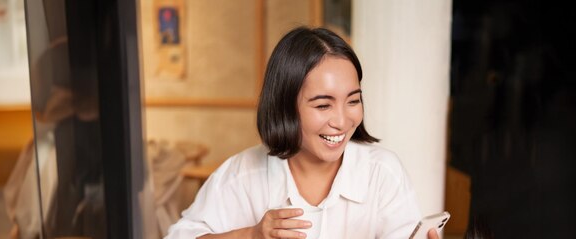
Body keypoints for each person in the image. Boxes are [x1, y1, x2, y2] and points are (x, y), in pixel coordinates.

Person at [165, 26, 440, 239]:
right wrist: (251, 234)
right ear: (285, 105)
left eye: (353, 100)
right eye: (323, 105)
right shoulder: (242, 174)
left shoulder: (383, 173)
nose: (343, 121)